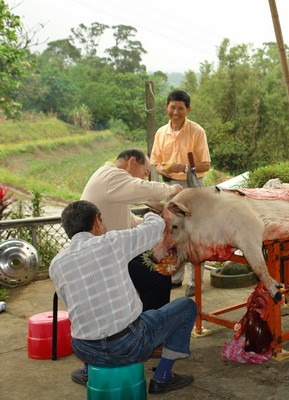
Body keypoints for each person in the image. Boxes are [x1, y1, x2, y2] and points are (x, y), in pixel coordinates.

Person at [50, 200, 197, 394]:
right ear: (96, 222)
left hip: (84, 349)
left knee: (90, 317)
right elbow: (155, 228)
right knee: (187, 306)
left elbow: (72, 304)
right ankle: (163, 376)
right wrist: (152, 213)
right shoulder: (111, 243)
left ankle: (88, 371)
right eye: (102, 220)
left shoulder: (56, 264)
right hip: (129, 346)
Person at [81, 149, 182, 312]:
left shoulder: (109, 179)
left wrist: (159, 225)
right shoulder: (112, 176)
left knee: (154, 266)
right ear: (132, 162)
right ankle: (152, 324)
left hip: (109, 251)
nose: (144, 178)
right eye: (145, 173)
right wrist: (173, 189)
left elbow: (130, 220)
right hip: (103, 258)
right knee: (157, 278)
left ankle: (143, 316)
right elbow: (144, 189)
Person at [151, 89, 211, 297]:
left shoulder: (197, 131)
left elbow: (206, 164)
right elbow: (156, 162)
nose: (175, 112)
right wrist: (164, 169)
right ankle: (175, 276)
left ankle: (195, 280)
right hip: (170, 187)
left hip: (192, 186)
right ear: (166, 107)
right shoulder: (161, 133)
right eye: (172, 107)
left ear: (188, 109)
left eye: (180, 108)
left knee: (194, 232)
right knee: (172, 231)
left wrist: (184, 167)